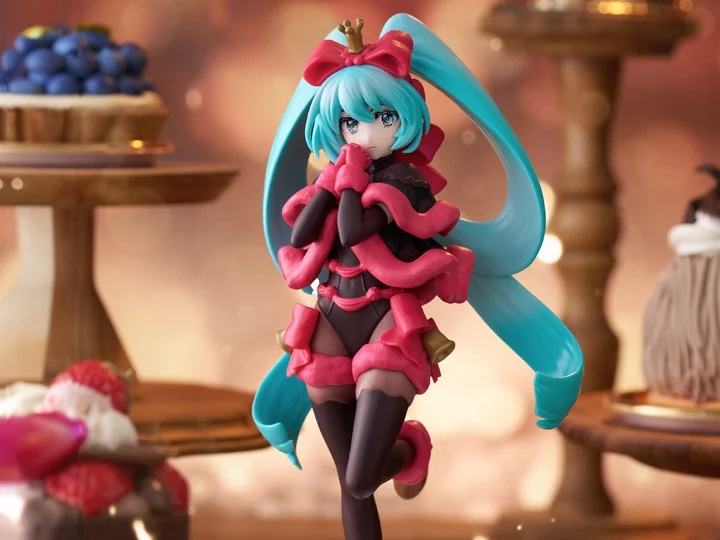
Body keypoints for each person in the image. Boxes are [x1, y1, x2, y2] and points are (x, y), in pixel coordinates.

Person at [253, 14, 584, 540]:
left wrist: (349, 180)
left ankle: (409, 449)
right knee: (350, 484)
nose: (366, 134)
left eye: (382, 118)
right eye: (350, 124)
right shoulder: (333, 181)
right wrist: (329, 185)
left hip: (387, 324)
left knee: (361, 477)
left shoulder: (406, 182)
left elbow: (355, 228)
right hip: (331, 321)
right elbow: (300, 238)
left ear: (403, 119)